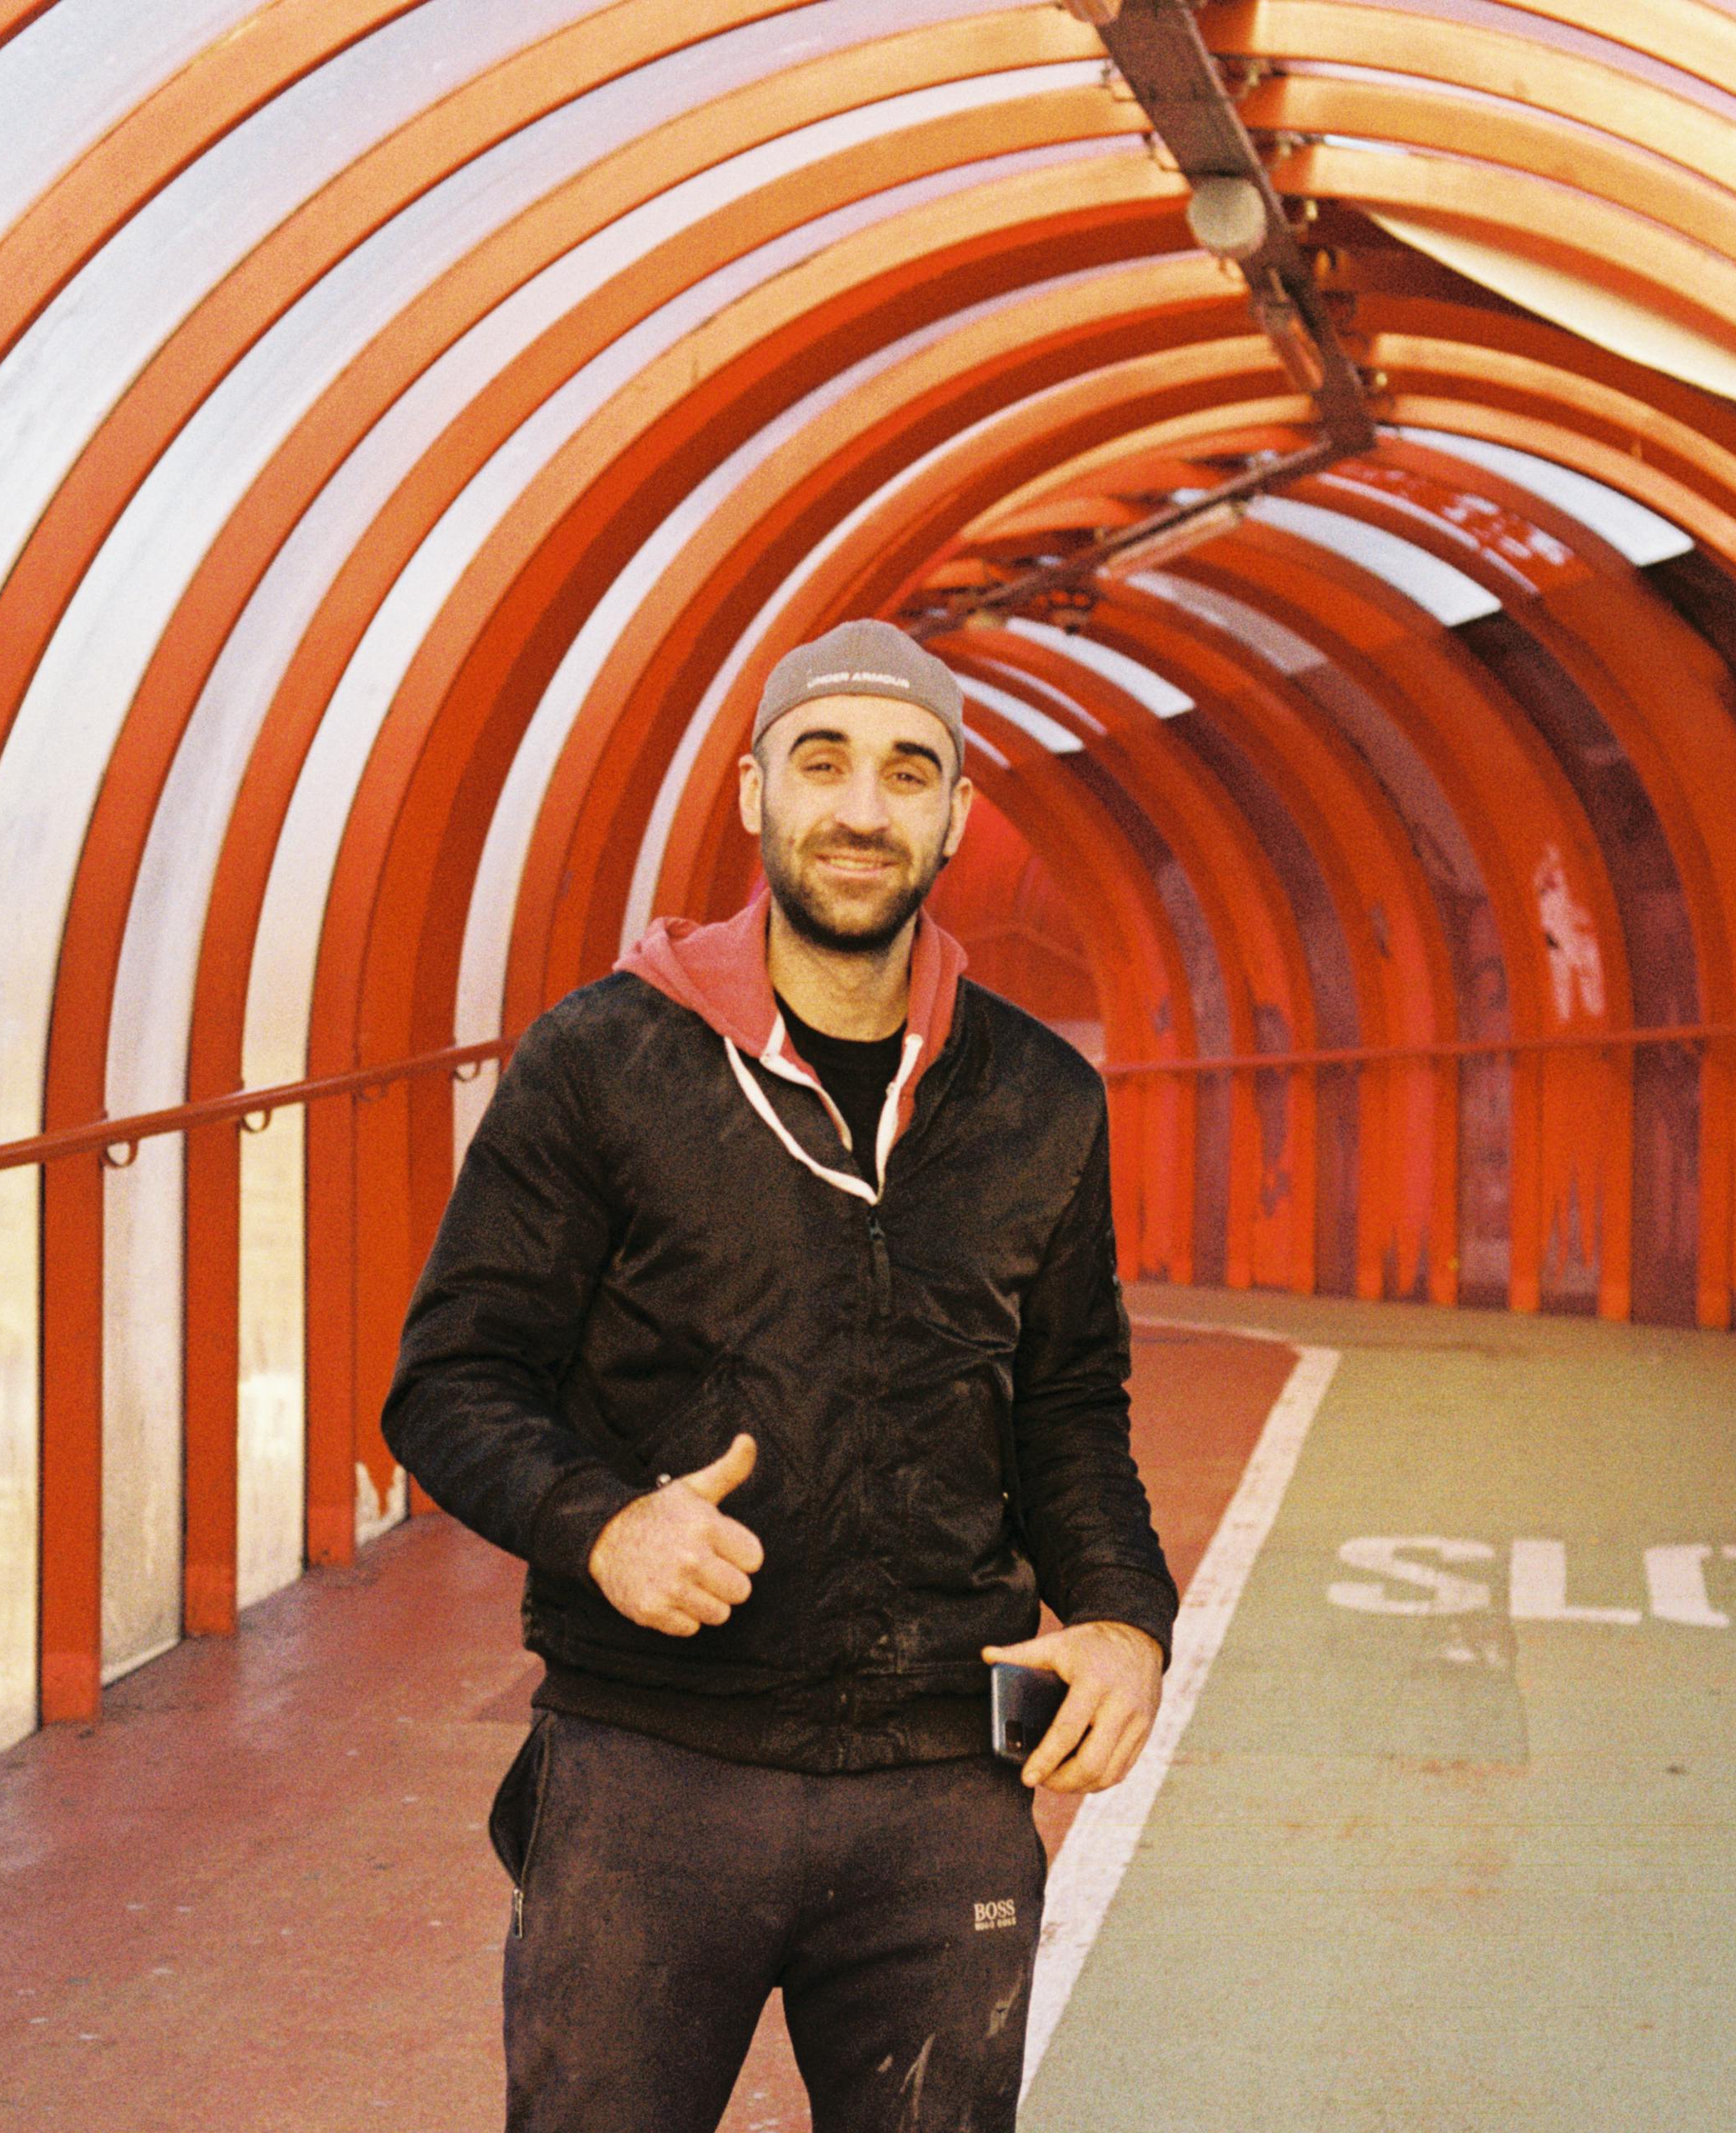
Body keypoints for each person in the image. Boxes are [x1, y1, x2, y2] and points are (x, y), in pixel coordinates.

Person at [380, 617, 1180, 2132]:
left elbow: (1071, 1409)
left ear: (952, 814)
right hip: (649, 1774)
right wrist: (603, 1524)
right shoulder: (604, 1062)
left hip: (947, 1785)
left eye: (907, 772)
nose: (863, 809)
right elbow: (452, 1377)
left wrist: (1130, 1620)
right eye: (822, 764)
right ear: (754, 796)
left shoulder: (1040, 1101)